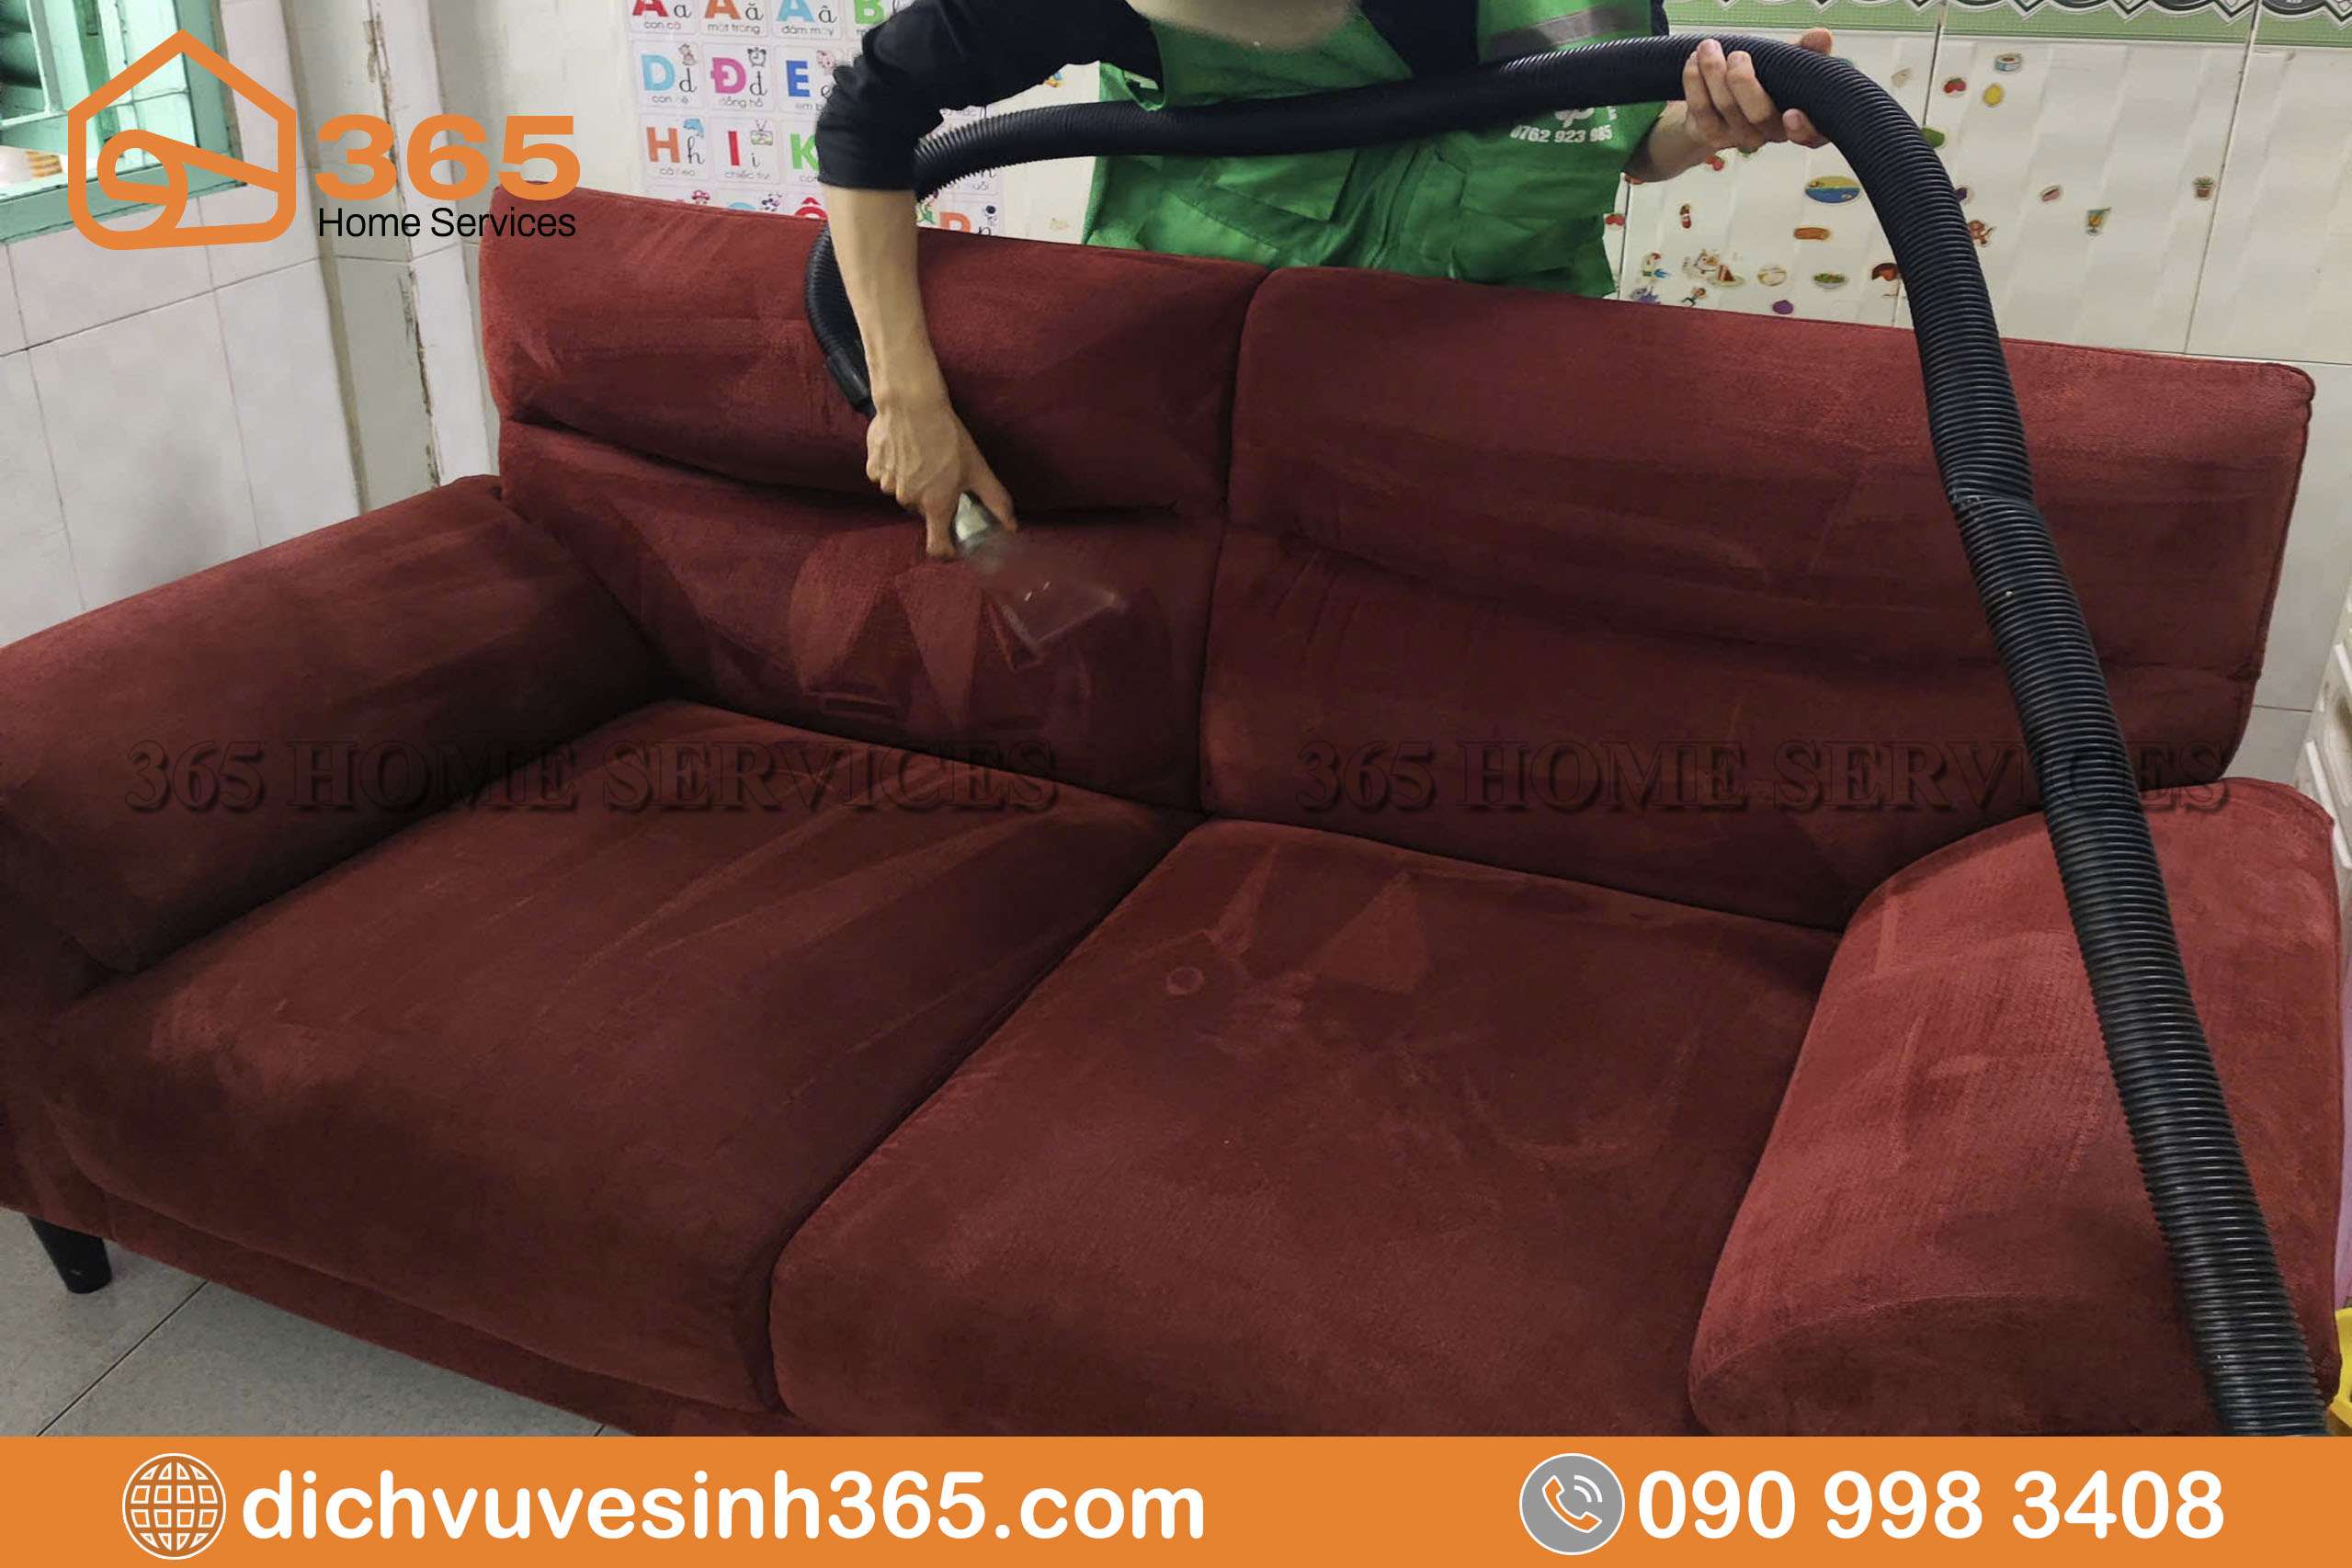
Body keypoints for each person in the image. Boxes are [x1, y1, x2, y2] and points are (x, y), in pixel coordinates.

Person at [814, 1, 1832, 556]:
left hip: (1498, 372)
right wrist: (904, 399)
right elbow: (867, 115)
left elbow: (1604, 133)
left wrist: (1700, 128)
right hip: (1221, 393)